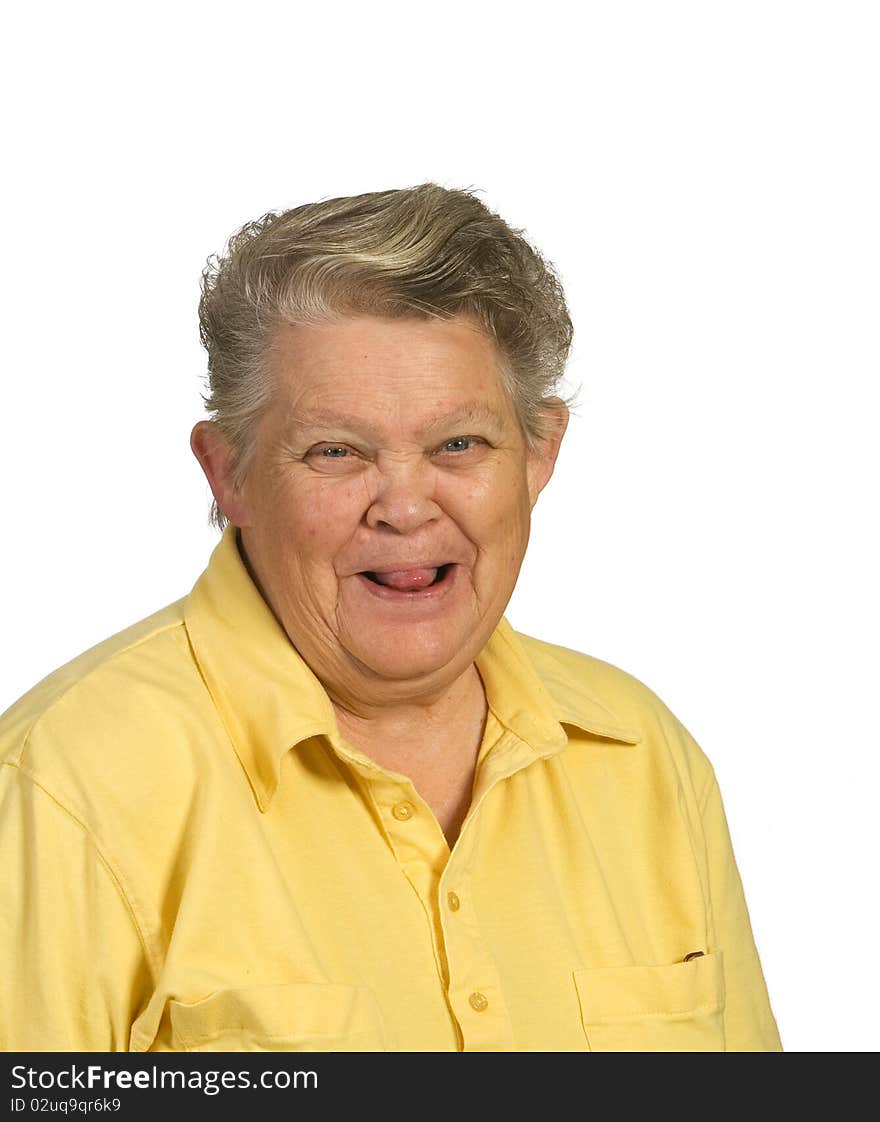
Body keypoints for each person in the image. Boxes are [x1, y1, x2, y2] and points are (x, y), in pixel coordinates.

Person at [0, 183, 782, 1052]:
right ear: (228, 474)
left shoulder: (645, 759)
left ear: (539, 455)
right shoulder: (64, 786)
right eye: (337, 451)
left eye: (459, 444)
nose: (405, 508)